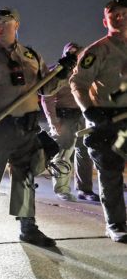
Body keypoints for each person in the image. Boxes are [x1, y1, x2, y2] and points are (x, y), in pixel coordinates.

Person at [0, 7, 76, 251]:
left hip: (25, 132)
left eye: (5, 22)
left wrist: (65, 69)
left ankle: (27, 228)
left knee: (25, 181)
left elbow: (47, 88)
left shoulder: (31, 56)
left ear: (16, 25)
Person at [70, 0, 127, 243]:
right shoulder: (97, 51)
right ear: (105, 21)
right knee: (111, 172)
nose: (120, 18)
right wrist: (90, 112)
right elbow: (77, 83)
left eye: (125, 13)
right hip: (108, 119)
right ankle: (116, 224)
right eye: (114, 15)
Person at [41, 43, 97, 202]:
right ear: (64, 54)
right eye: (69, 53)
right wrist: (53, 122)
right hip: (64, 116)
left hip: (83, 116)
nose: (73, 56)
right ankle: (61, 189)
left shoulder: (85, 71)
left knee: (85, 153)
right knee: (63, 155)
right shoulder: (57, 72)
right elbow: (47, 98)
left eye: (76, 53)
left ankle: (84, 190)